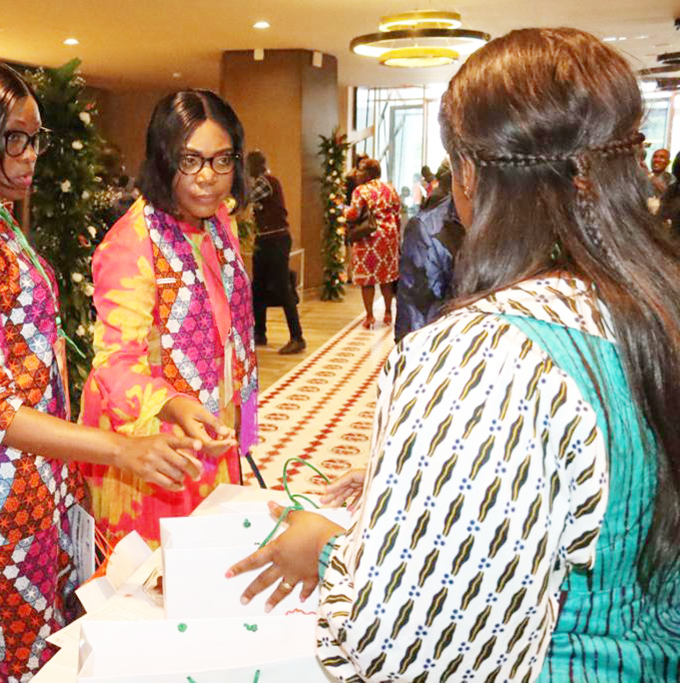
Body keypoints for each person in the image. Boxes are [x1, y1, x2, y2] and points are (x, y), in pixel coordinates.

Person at [229, 27, 680, 681]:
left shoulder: (487, 354)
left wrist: (327, 548)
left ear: (467, 172)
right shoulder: (654, 307)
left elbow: (415, 645)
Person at [0, 60, 204, 682]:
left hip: (35, 474)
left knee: (51, 640)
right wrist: (120, 450)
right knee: (19, 654)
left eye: (35, 139)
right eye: (13, 139)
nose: (29, 157)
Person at [79, 90, 256, 547]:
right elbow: (115, 364)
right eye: (190, 160)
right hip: (153, 444)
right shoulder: (131, 243)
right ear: (162, 160)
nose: (208, 178)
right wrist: (175, 406)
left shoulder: (221, 223)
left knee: (215, 558)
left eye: (222, 160)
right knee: (160, 575)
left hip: (211, 427)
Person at [248, 150, 305, 354]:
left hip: (276, 239)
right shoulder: (263, 182)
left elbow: (245, 198)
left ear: (256, 166)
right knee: (258, 288)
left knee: (282, 288)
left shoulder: (266, 181)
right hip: (264, 239)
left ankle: (297, 337)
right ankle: (260, 333)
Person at [393, 194, 464, 342]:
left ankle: (373, 314)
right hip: (446, 342)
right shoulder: (430, 226)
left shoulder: (430, 225)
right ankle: (386, 310)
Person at [343, 158, 401, 328]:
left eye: (360, 170)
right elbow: (397, 212)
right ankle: (388, 313)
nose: (357, 173)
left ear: (368, 173)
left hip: (368, 239)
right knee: (386, 277)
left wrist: (342, 210)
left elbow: (354, 214)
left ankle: (369, 316)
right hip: (389, 237)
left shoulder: (360, 191)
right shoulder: (389, 188)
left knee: (367, 280)